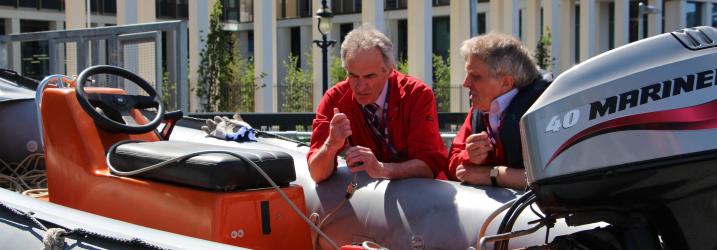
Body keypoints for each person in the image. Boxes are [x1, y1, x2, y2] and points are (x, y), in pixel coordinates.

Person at [308, 25, 447, 183]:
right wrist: (331, 145)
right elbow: (316, 174)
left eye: (369, 77)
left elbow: (429, 167)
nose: (360, 87)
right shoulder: (335, 99)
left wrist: (382, 169)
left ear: (389, 71)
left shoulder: (417, 94)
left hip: (424, 197)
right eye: (353, 76)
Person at [448, 32, 550, 190]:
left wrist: (492, 175)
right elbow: (452, 164)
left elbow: (553, 177)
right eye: (467, 75)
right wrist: (469, 156)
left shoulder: (542, 110)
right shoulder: (479, 110)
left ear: (506, 82)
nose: (465, 83)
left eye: (475, 77)